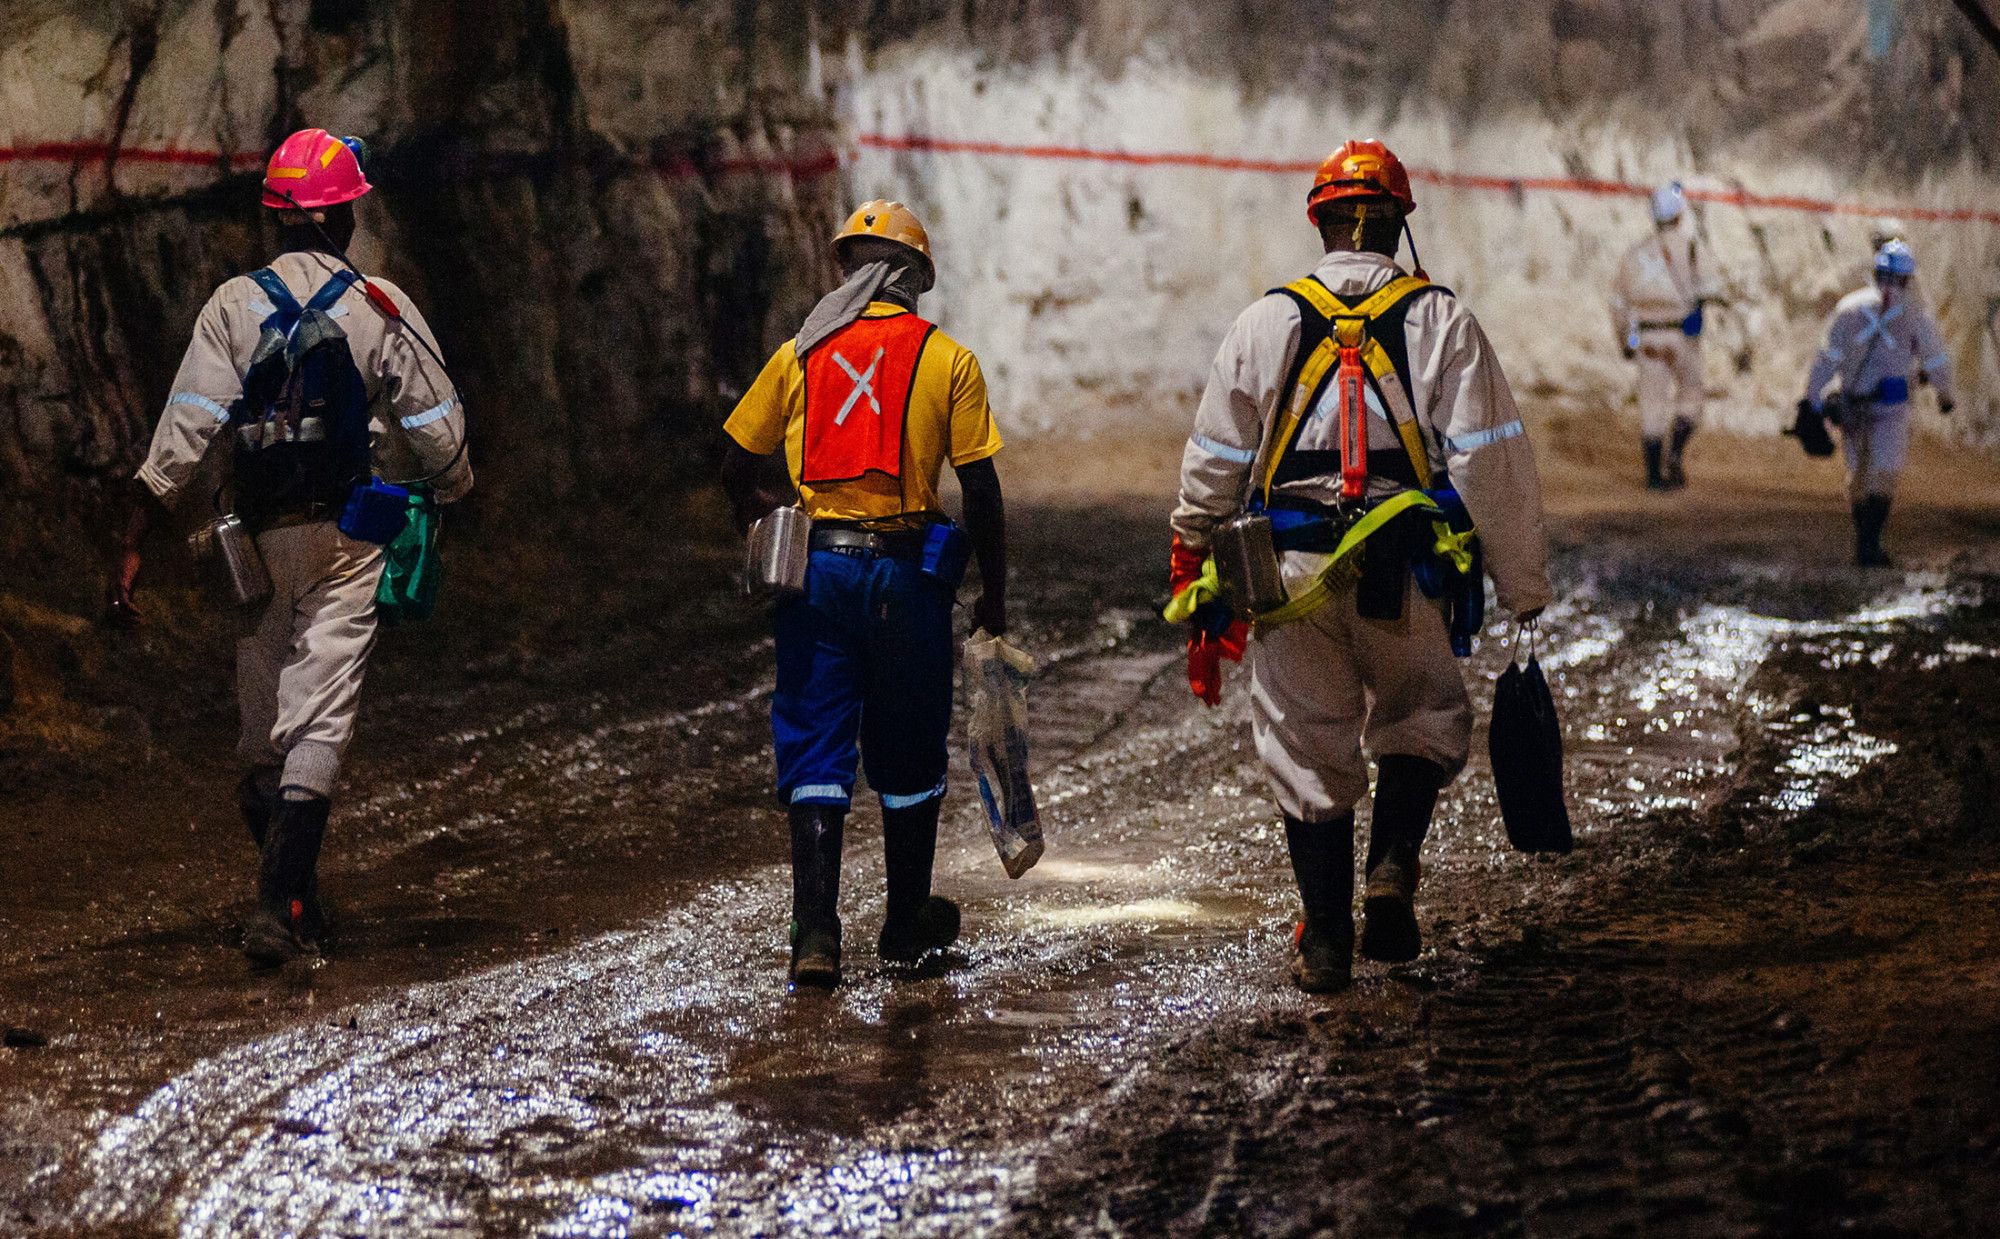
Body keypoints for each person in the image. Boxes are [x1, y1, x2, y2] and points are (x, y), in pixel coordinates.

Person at [1168, 139, 1551, 993]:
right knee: (1421, 714)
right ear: (1396, 223)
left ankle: (1327, 941)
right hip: (1403, 569)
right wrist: (1524, 587)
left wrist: (1191, 552)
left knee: (1305, 746)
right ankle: (1391, 869)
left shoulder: (1264, 321)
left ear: (1322, 222)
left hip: (1290, 576)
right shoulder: (1440, 319)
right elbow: (1492, 458)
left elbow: (1214, 457)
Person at [112, 128, 472, 963]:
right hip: (351, 534)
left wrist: (135, 536)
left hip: (257, 537)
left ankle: (292, 892)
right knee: (321, 712)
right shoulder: (380, 306)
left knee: (260, 725)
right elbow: (438, 427)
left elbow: (184, 434)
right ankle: (279, 905)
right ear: (347, 215)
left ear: (274, 217)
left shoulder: (232, 306)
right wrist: (449, 491)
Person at [720, 200, 1008, 990]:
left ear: (850, 271)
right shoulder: (949, 359)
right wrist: (994, 594)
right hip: (909, 578)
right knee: (910, 751)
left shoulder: (800, 355)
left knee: (815, 744)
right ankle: (905, 927)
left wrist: (767, 527)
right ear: (914, 279)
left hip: (818, 572)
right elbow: (981, 490)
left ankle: (815, 935)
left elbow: (733, 464)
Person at [1801, 239, 1954, 567]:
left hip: (1852, 404)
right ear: (1907, 278)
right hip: (1891, 407)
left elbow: (1827, 356)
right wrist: (1945, 394)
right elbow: (1935, 357)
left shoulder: (1849, 307)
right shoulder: (1914, 314)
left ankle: (1864, 542)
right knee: (1883, 472)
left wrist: (1812, 397)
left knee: (1858, 472)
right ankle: (1870, 544)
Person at [1609, 182, 1723, 489]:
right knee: (1691, 396)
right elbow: (1713, 289)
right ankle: (1674, 455)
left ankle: (1652, 476)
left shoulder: (1633, 255)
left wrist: (1626, 342)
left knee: (1652, 404)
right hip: (1681, 336)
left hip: (1646, 337)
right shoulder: (1692, 249)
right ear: (1680, 214)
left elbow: (1618, 305)